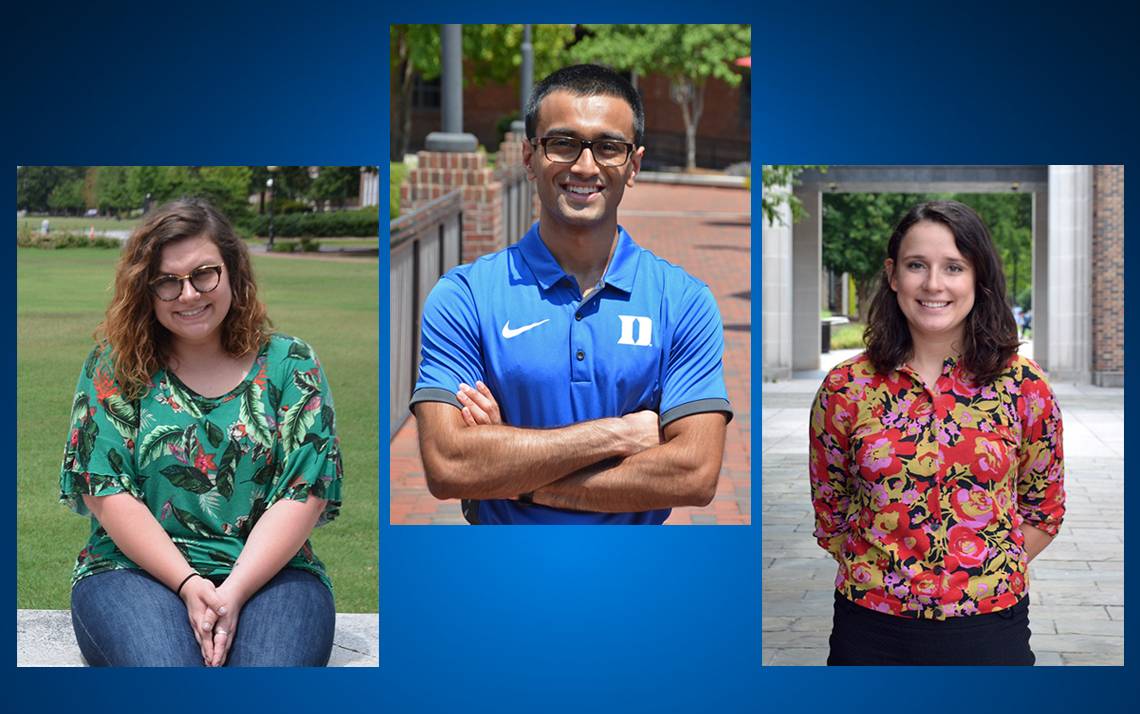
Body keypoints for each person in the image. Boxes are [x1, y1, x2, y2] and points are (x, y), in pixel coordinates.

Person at [410, 64, 732, 525]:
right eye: (563, 143)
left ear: (633, 165)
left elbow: (695, 474)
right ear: (529, 158)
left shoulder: (682, 301)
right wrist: (618, 434)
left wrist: (509, 476)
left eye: (608, 148)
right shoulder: (464, 296)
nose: (584, 166)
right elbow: (449, 465)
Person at [60, 198, 343, 666]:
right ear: (145, 291)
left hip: (272, 574)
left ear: (233, 272)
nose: (188, 294)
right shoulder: (115, 367)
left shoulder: (290, 364)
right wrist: (189, 583)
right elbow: (105, 492)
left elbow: (304, 491)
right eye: (167, 282)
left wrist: (233, 591)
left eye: (204, 274)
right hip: (130, 572)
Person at [809, 200, 1065, 665]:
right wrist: (884, 574)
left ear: (978, 278)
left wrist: (978, 573)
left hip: (990, 628)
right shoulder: (846, 388)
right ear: (893, 275)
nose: (933, 284)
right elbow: (831, 508)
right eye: (916, 266)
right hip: (870, 629)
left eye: (953, 267)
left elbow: (1043, 507)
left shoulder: (1023, 386)